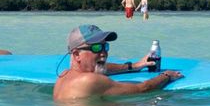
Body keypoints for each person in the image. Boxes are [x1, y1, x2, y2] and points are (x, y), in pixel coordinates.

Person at [54, 24, 182, 100]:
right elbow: (142, 89)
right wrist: (166, 76)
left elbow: (102, 68)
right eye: (96, 48)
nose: (104, 53)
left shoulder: (65, 75)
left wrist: (133, 66)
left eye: (105, 47)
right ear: (77, 55)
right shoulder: (90, 81)